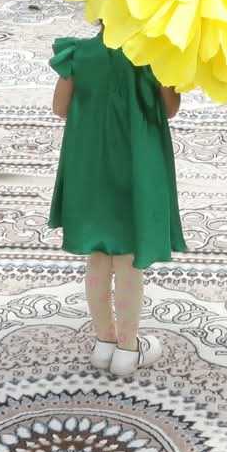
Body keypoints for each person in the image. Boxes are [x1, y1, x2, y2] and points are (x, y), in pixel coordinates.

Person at [48, 19, 184, 379]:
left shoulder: (77, 53)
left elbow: (59, 108)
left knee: (98, 257)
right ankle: (129, 347)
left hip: (88, 165)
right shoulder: (154, 54)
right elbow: (169, 108)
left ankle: (104, 342)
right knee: (128, 260)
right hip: (137, 163)